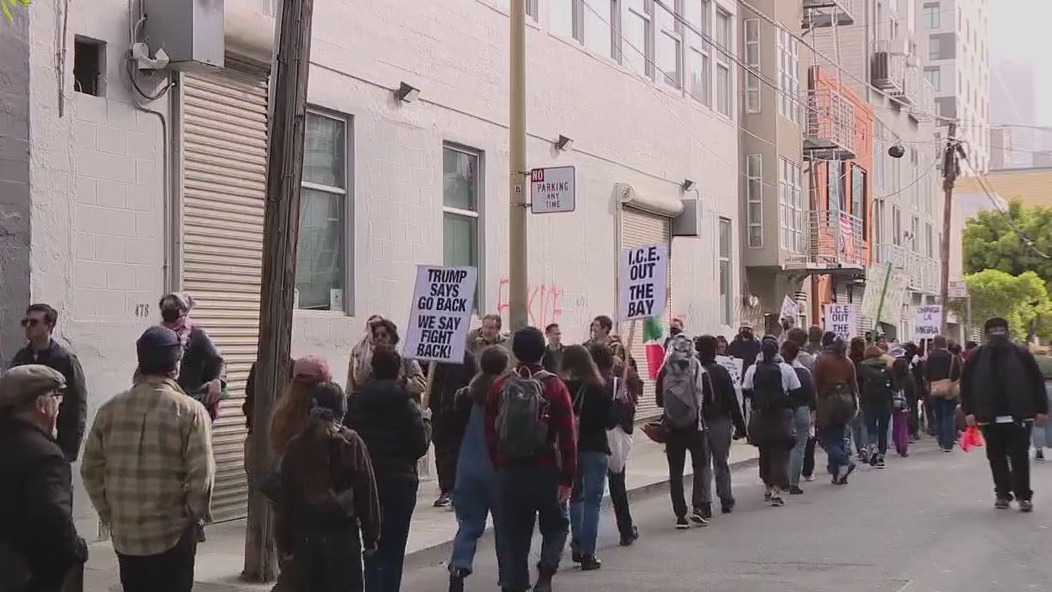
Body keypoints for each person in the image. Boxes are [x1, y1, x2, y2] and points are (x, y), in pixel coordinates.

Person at [81, 327, 215, 592]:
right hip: (172, 535)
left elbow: (90, 470)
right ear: (175, 366)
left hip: (126, 534)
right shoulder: (191, 411)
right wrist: (192, 516)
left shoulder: (110, 409)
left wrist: (111, 514)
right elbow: (202, 476)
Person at [484, 327, 577, 592]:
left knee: (514, 533)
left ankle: (515, 582)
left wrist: (499, 465)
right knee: (557, 524)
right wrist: (567, 477)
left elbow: (490, 433)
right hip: (546, 469)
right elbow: (568, 435)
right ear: (542, 350)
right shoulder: (554, 385)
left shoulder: (500, 386)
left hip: (510, 472)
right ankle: (545, 574)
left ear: (514, 351)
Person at [277, 382, 381, 591]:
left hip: (306, 542)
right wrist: (371, 537)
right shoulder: (352, 443)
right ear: (341, 411)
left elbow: (286, 500)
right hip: (343, 543)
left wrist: (285, 544)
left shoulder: (295, 448)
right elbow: (367, 492)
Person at [344, 346, 432, 592]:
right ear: (398, 371)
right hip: (400, 486)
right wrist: (426, 421)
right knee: (394, 549)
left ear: (372, 368)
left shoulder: (355, 403)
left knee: (371, 545)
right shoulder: (406, 405)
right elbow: (419, 446)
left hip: (365, 485)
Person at [0, 365, 88, 592]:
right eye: (57, 397)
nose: (60, 406)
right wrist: (77, 549)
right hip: (30, 577)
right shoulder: (45, 456)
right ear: (41, 404)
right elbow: (53, 521)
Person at [961, 318, 1049, 512]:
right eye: (993, 330)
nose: (997, 333)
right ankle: (1002, 493)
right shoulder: (976, 356)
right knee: (996, 457)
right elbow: (966, 385)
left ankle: (1023, 496)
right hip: (988, 416)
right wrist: (968, 411)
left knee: (1019, 458)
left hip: (1019, 415)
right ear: (986, 334)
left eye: (1001, 329)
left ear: (1007, 332)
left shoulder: (1021, 354)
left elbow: (1036, 382)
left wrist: (1041, 409)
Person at [447, 347, 511, 592]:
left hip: (468, 465)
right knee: (505, 527)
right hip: (499, 467)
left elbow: (453, 430)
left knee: (469, 524)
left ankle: (458, 567)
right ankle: (508, 577)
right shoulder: (509, 393)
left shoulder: (465, 396)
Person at [9, 303, 88, 462]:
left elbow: (77, 405)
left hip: (54, 444)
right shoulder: (21, 358)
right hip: (23, 444)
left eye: (34, 322)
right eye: (26, 322)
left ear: (49, 326)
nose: (28, 326)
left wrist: (68, 451)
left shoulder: (65, 361)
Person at [561, 345, 615, 571]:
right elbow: (610, 422)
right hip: (596, 448)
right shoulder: (598, 388)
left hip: (571, 449)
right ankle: (588, 553)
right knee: (593, 501)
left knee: (575, 498)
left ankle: (577, 541)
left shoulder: (562, 387)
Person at [655, 334, 711, 526]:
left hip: (672, 427)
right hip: (695, 425)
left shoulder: (665, 370)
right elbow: (709, 397)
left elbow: (659, 401)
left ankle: (680, 515)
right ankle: (698, 507)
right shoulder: (698, 368)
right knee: (700, 467)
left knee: (675, 472)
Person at [590, 343, 641, 544]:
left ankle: (583, 538)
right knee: (618, 485)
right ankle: (626, 530)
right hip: (612, 441)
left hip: (589, 443)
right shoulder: (616, 384)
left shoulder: (583, 383)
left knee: (589, 492)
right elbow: (628, 411)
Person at [742, 339, 800, 506]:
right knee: (780, 453)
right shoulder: (787, 369)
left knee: (764, 451)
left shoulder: (753, 369)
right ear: (777, 352)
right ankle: (777, 490)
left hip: (760, 415)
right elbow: (796, 391)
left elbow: (746, 390)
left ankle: (767, 484)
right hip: (781, 415)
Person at [696, 335, 747, 514]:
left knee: (702, 463)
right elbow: (732, 400)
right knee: (721, 461)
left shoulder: (694, 371)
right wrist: (740, 424)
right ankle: (725, 497)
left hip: (699, 423)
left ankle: (704, 502)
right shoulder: (721, 371)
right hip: (720, 421)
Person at [158, 292, 226, 421]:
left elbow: (218, 360)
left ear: (183, 312)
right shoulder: (160, 335)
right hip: (168, 401)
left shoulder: (197, 335)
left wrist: (218, 380)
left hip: (193, 401)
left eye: (173, 313)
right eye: (166, 313)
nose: (170, 320)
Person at [427, 351, 478, 509]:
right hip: (439, 411)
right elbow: (428, 381)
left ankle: (455, 489)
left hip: (459, 413)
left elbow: (473, 382)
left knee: (456, 452)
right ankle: (446, 488)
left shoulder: (467, 358)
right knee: (441, 451)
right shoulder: (436, 358)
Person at [813, 337, 859, 485]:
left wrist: (814, 405)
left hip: (828, 400)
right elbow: (854, 384)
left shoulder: (822, 360)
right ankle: (837, 473)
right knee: (839, 436)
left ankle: (843, 462)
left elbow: (816, 383)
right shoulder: (848, 362)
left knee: (825, 437)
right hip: (846, 399)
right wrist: (856, 402)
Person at [350, 319, 426, 399]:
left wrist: (404, 382)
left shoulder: (405, 358)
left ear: (392, 338)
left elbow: (422, 384)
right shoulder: (372, 360)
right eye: (376, 335)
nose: (379, 338)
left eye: (383, 335)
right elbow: (360, 382)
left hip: (403, 406)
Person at [781, 341, 815, 495]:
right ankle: (793, 482)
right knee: (799, 446)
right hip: (802, 409)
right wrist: (813, 412)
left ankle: (780, 480)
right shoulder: (804, 372)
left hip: (782, 411)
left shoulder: (779, 370)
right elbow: (811, 395)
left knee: (782, 447)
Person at [858, 346, 896, 468]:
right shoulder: (888, 367)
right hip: (885, 400)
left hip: (868, 401)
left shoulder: (862, 367)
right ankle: (881, 455)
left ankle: (872, 446)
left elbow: (858, 384)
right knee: (883, 429)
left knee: (871, 426)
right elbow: (894, 386)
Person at [925, 335, 962, 452]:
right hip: (950, 389)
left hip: (936, 389)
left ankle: (941, 440)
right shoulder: (952, 357)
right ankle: (948, 443)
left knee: (939, 416)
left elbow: (926, 373)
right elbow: (958, 373)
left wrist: (931, 383)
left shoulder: (930, 357)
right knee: (949, 415)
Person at [347, 314, 385, 395]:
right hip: (362, 395)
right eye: (372, 326)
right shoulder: (358, 350)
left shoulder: (390, 349)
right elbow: (353, 378)